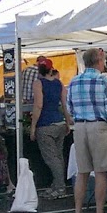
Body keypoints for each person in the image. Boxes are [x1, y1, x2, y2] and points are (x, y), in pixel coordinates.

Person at [66, 47, 107, 213]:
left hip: (79, 127)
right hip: (98, 126)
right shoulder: (103, 80)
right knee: (100, 172)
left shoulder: (74, 81)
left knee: (81, 172)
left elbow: (70, 108)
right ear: (99, 60)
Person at [29, 56, 72, 198]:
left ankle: (60, 188)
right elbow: (65, 105)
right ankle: (57, 185)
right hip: (59, 123)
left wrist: (33, 126)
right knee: (58, 157)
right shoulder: (59, 83)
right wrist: (67, 121)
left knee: (51, 159)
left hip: (45, 125)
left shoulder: (38, 83)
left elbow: (38, 105)